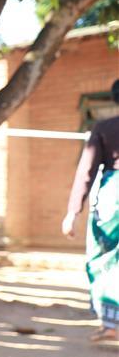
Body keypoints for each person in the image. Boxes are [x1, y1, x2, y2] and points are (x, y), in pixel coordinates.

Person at [62, 79, 119, 342]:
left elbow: (86, 171)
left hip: (112, 200)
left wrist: (73, 211)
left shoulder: (104, 128)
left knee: (104, 257)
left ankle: (111, 323)